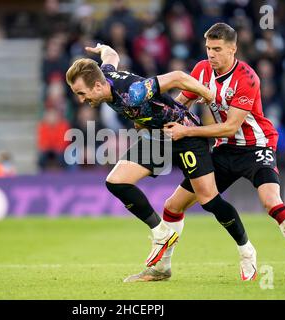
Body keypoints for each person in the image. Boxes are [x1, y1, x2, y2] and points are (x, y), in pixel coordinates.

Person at [66, 43, 258, 282]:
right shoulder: (103, 75)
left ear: (96, 85)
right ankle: (161, 236)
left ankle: (246, 251)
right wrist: (102, 47)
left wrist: (209, 96)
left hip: (185, 134)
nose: (81, 99)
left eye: (81, 93)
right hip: (157, 137)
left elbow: (177, 77)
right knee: (116, 181)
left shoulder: (135, 92)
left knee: (209, 199)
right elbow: (111, 55)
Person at [161, 22, 285, 282]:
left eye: (217, 49)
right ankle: (162, 268)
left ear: (232, 49)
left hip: (256, 146)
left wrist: (186, 132)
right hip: (224, 150)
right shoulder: (201, 70)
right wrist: (153, 115)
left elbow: (230, 127)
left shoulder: (247, 78)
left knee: (271, 201)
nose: (210, 54)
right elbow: (179, 105)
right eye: (207, 48)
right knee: (173, 205)